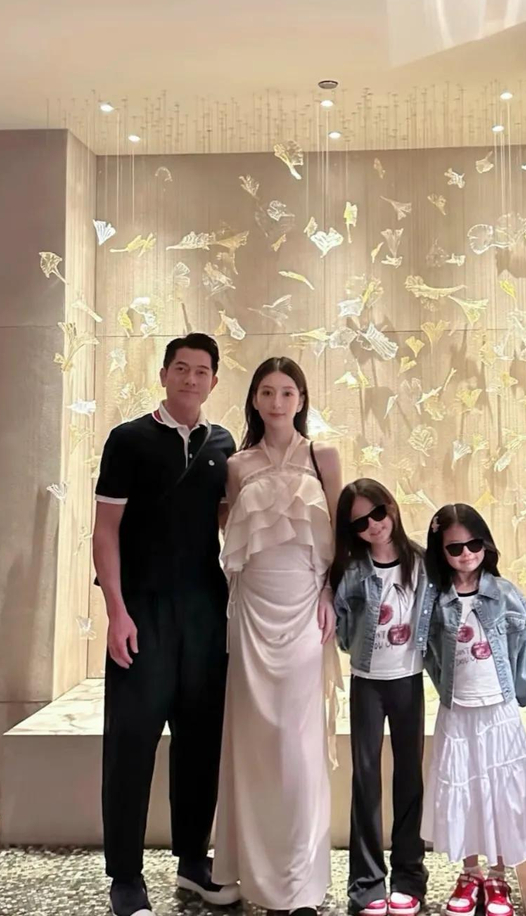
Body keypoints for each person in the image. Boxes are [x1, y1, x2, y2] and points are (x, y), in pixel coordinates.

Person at [93, 333, 239, 916]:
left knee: (201, 743)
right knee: (130, 743)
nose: (190, 378)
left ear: (213, 381)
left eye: (201, 371)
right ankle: (125, 877)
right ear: (163, 374)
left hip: (206, 612)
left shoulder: (223, 444)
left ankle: (193, 863)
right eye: (181, 368)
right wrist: (116, 611)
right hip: (142, 612)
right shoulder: (128, 439)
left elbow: (232, 525)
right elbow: (105, 531)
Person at [212, 356, 343, 916]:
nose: (277, 401)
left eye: (287, 392)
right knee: (255, 741)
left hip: (307, 607)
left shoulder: (323, 456)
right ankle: (259, 880)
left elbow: (342, 530)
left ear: (302, 399)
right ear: (254, 399)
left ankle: (301, 883)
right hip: (252, 611)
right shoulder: (236, 464)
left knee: (298, 745)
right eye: (267, 392)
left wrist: (331, 593)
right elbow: (230, 535)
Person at [422, 503, 526, 916]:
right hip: (457, 710)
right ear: (441, 551)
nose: (466, 554)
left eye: (474, 544)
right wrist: (445, 687)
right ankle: (470, 871)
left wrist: (518, 690)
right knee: (462, 790)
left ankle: (498, 875)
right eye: (454, 548)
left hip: (498, 709)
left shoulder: (506, 594)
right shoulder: (436, 599)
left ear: (486, 544)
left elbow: (525, 642)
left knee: (500, 791)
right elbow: (429, 652)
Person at [331, 479, 432, 916]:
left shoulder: (422, 563)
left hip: (409, 680)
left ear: (391, 507)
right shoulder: (353, 571)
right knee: (366, 779)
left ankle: (409, 877)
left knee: (409, 777)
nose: (373, 526)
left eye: (377, 513)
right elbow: (338, 625)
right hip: (367, 682)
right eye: (361, 523)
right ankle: (366, 882)